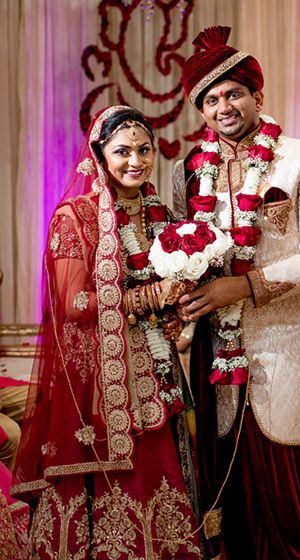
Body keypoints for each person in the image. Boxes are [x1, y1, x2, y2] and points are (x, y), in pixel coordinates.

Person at [173, 26, 300, 560]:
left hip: (288, 354)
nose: (224, 106)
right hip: (214, 364)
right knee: (230, 511)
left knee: (294, 514)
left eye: (234, 92)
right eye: (211, 98)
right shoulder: (185, 172)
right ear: (200, 110)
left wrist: (243, 286)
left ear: (256, 95)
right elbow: (182, 255)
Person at [11, 106, 202, 559]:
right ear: (99, 155)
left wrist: (173, 311)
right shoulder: (73, 217)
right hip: (101, 383)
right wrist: (149, 298)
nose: (135, 160)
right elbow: (75, 304)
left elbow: (164, 290)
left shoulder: (157, 215)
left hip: (157, 373)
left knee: (165, 471)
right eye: (122, 151)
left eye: (143, 149)